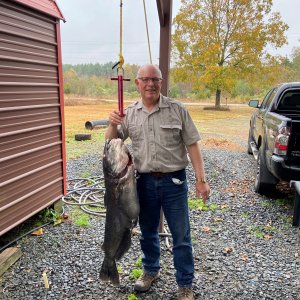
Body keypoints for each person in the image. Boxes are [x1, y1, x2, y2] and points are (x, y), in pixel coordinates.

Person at [105, 64, 210, 300]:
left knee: (181, 235)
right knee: (147, 232)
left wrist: (201, 180)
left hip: (174, 182)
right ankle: (150, 271)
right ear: (138, 83)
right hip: (143, 183)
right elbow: (112, 143)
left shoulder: (177, 110)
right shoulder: (130, 113)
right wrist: (112, 123)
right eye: (146, 79)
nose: (151, 84)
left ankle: (185, 284)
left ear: (161, 83)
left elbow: (192, 144)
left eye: (155, 79)